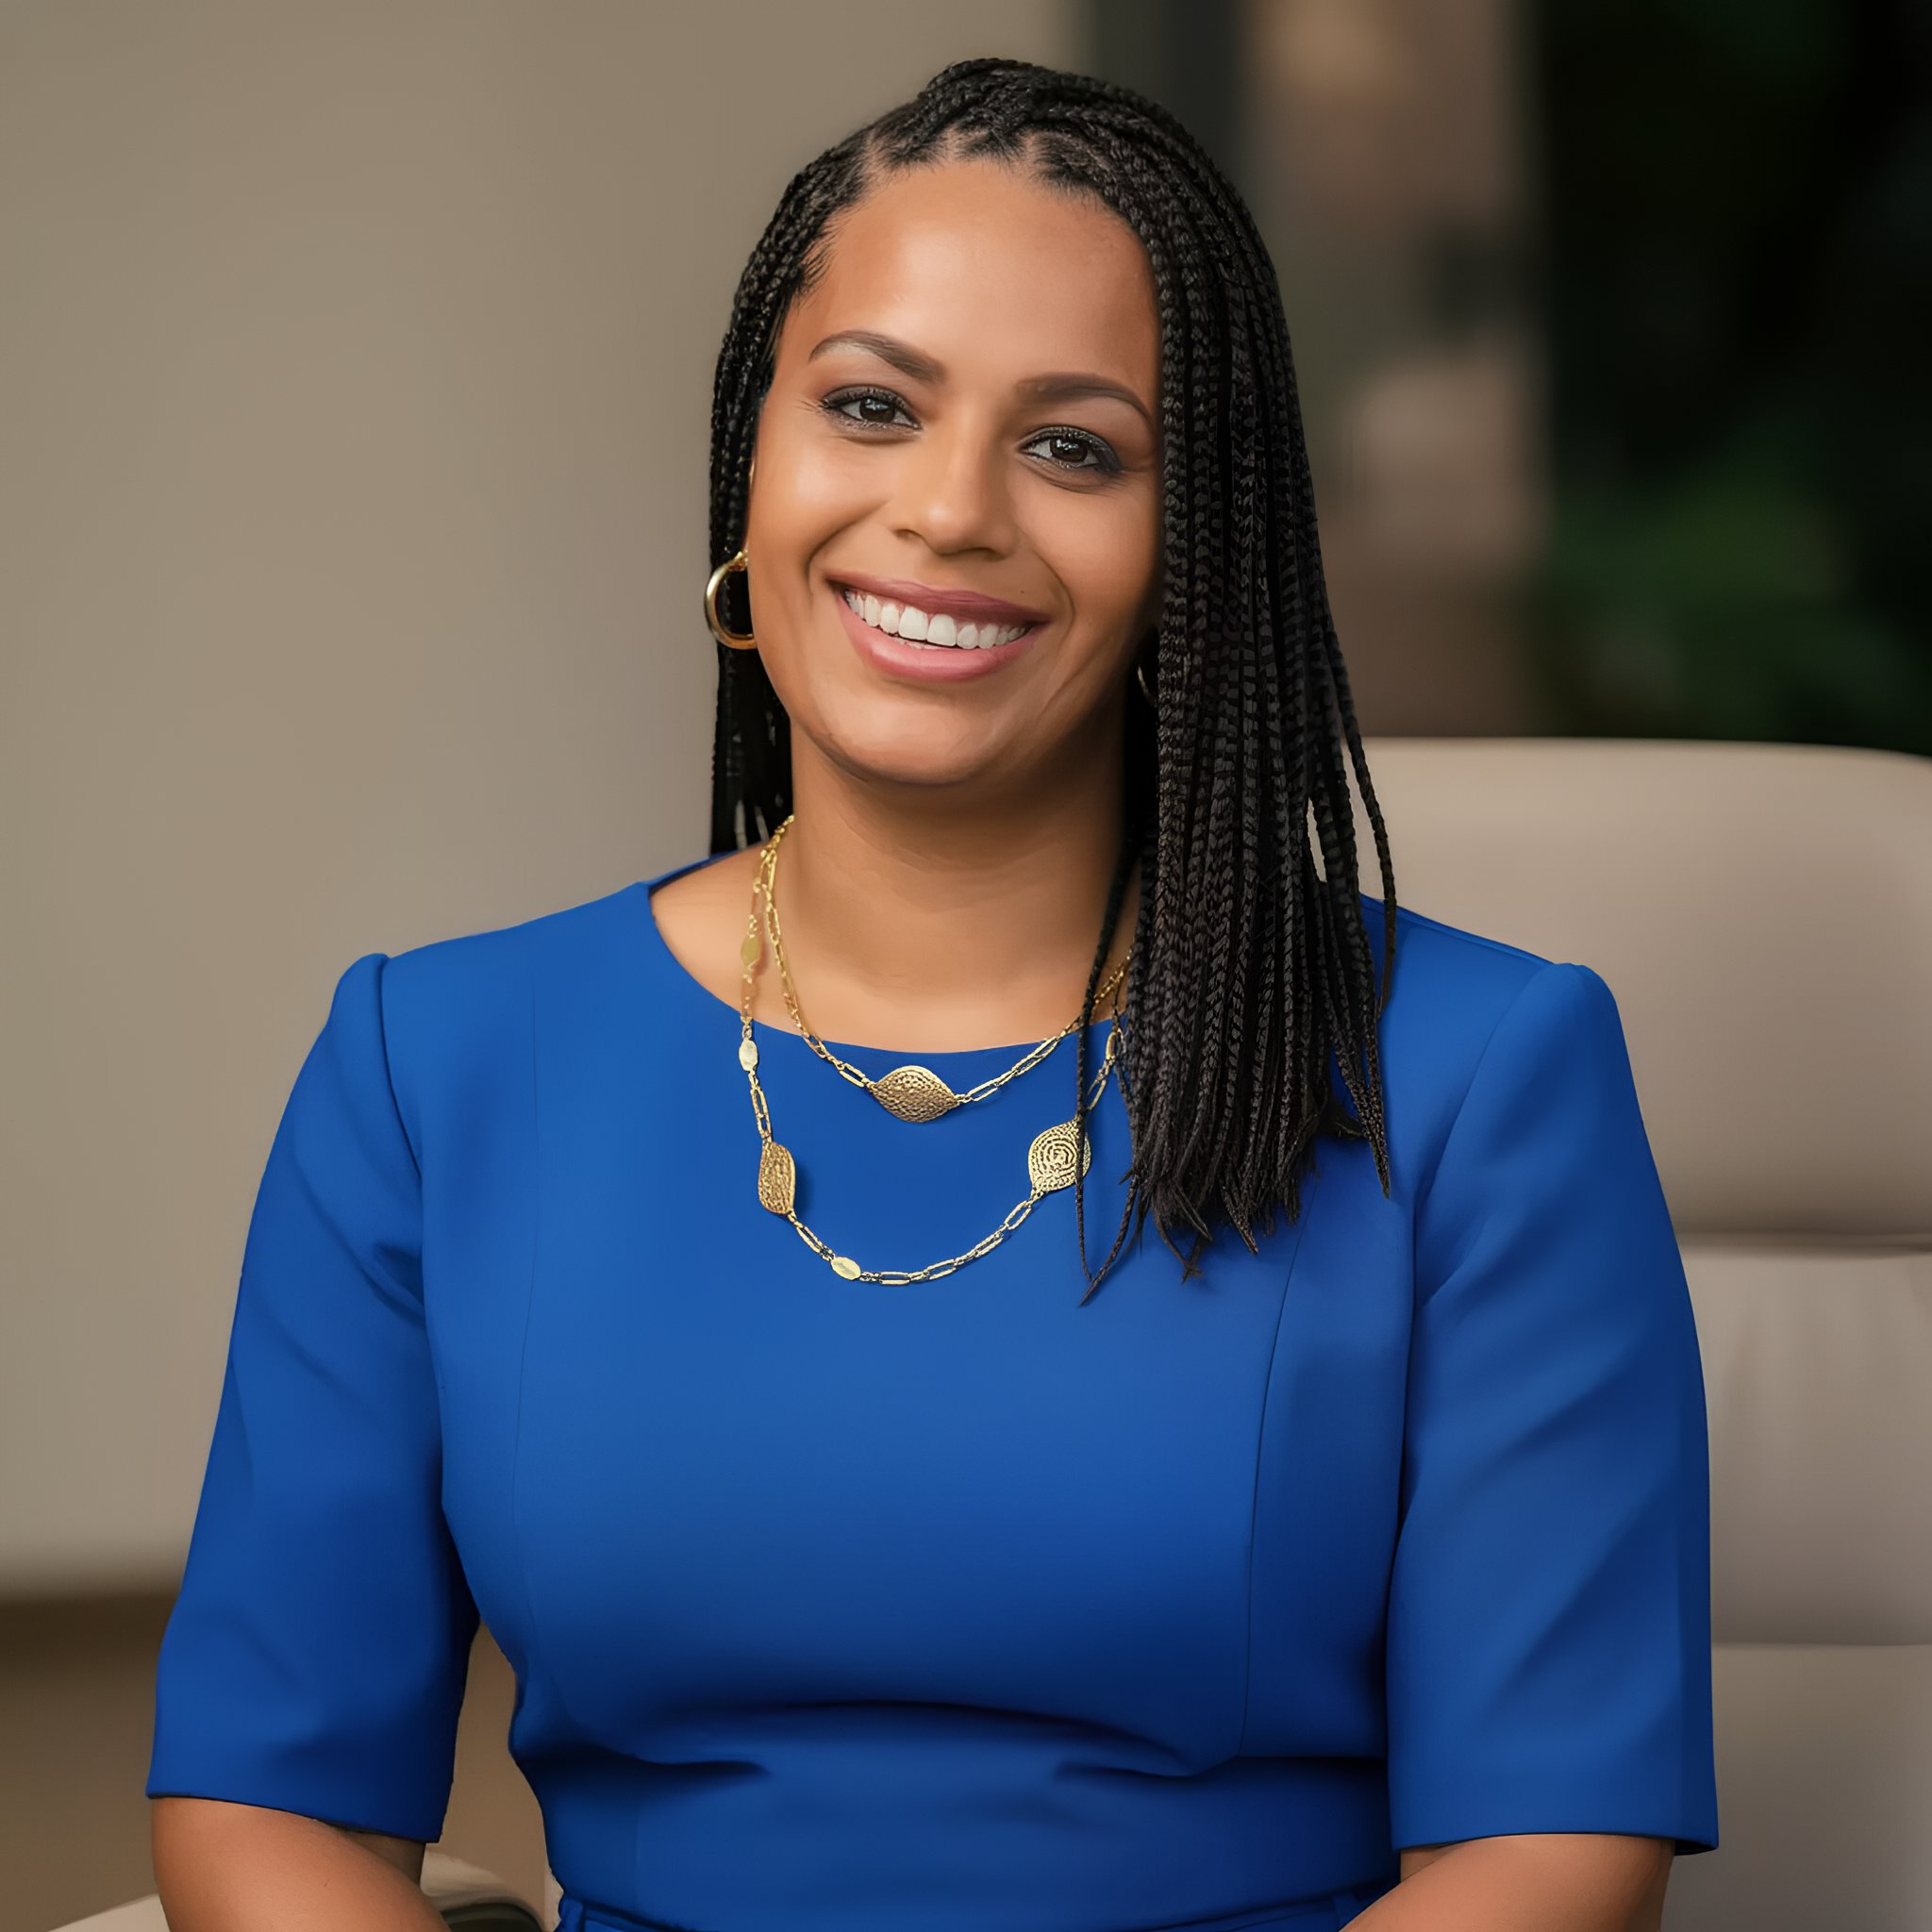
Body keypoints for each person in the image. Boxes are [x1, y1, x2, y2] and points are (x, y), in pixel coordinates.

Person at [145, 56, 1719, 1932]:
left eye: (1074, 446)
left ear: (1189, 555)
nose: (949, 510)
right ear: (756, 462)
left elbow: (1550, 1856)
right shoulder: (434, 1068)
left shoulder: (1472, 1078)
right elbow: (267, 1809)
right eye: (872, 406)